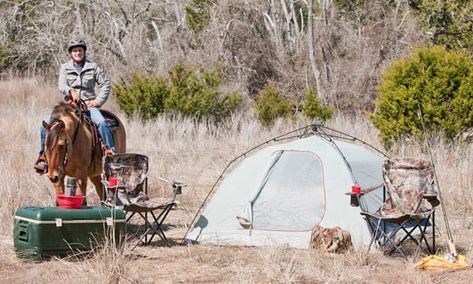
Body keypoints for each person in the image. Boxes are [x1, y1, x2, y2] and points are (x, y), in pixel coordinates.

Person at [34, 38, 115, 174]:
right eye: (75, 51)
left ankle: (110, 153)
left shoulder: (93, 67)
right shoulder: (65, 67)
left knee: (101, 122)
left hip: (88, 105)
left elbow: (105, 84)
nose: (78, 53)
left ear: (84, 52)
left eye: (80, 50)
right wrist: (70, 91)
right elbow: (62, 84)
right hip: (69, 106)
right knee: (46, 125)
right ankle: (43, 156)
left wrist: (97, 102)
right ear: (71, 53)